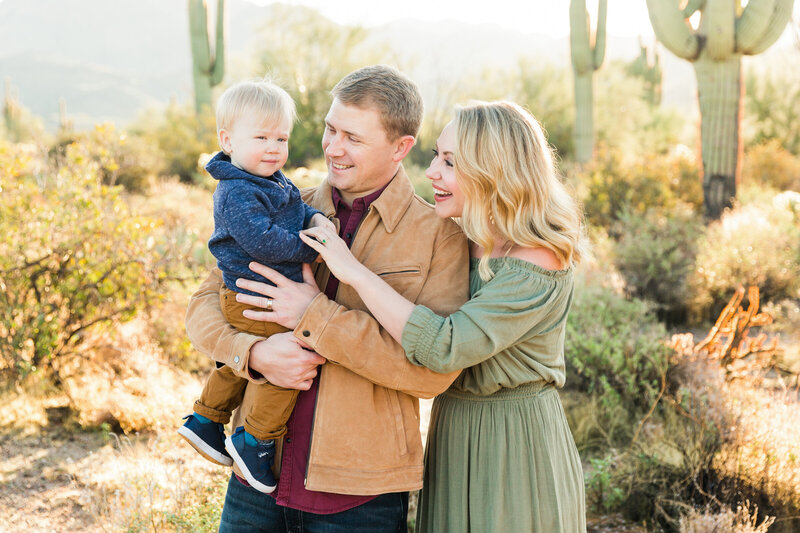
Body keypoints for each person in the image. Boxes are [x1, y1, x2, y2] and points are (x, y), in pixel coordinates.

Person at [260, 101, 588, 532]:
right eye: (436, 155)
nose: (432, 172)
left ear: (495, 171)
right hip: (455, 429)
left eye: (450, 163)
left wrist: (351, 272)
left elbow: (445, 346)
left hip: (515, 439)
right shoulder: (465, 239)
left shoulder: (538, 260)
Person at [183, 65, 470, 532]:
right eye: (329, 129)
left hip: (361, 491)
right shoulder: (281, 202)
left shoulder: (439, 236)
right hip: (256, 470)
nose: (333, 148)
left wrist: (314, 314)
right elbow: (202, 305)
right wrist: (253, 353)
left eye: (352, 138)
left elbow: (431, 373)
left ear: (401, 148)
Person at [177, 79, 335, 494]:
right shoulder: (236, 190)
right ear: (228, 140)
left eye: (280, 137)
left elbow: (297, 207)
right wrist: (312, 250)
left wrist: (314, 217)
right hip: (252, 295)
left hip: (255, 294)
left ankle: (206, 420)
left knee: (240, 362)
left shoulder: (272, 180)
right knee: (290, 362)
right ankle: (256, 440)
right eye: (261, 137)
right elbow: (262, 240)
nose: (273, 147)